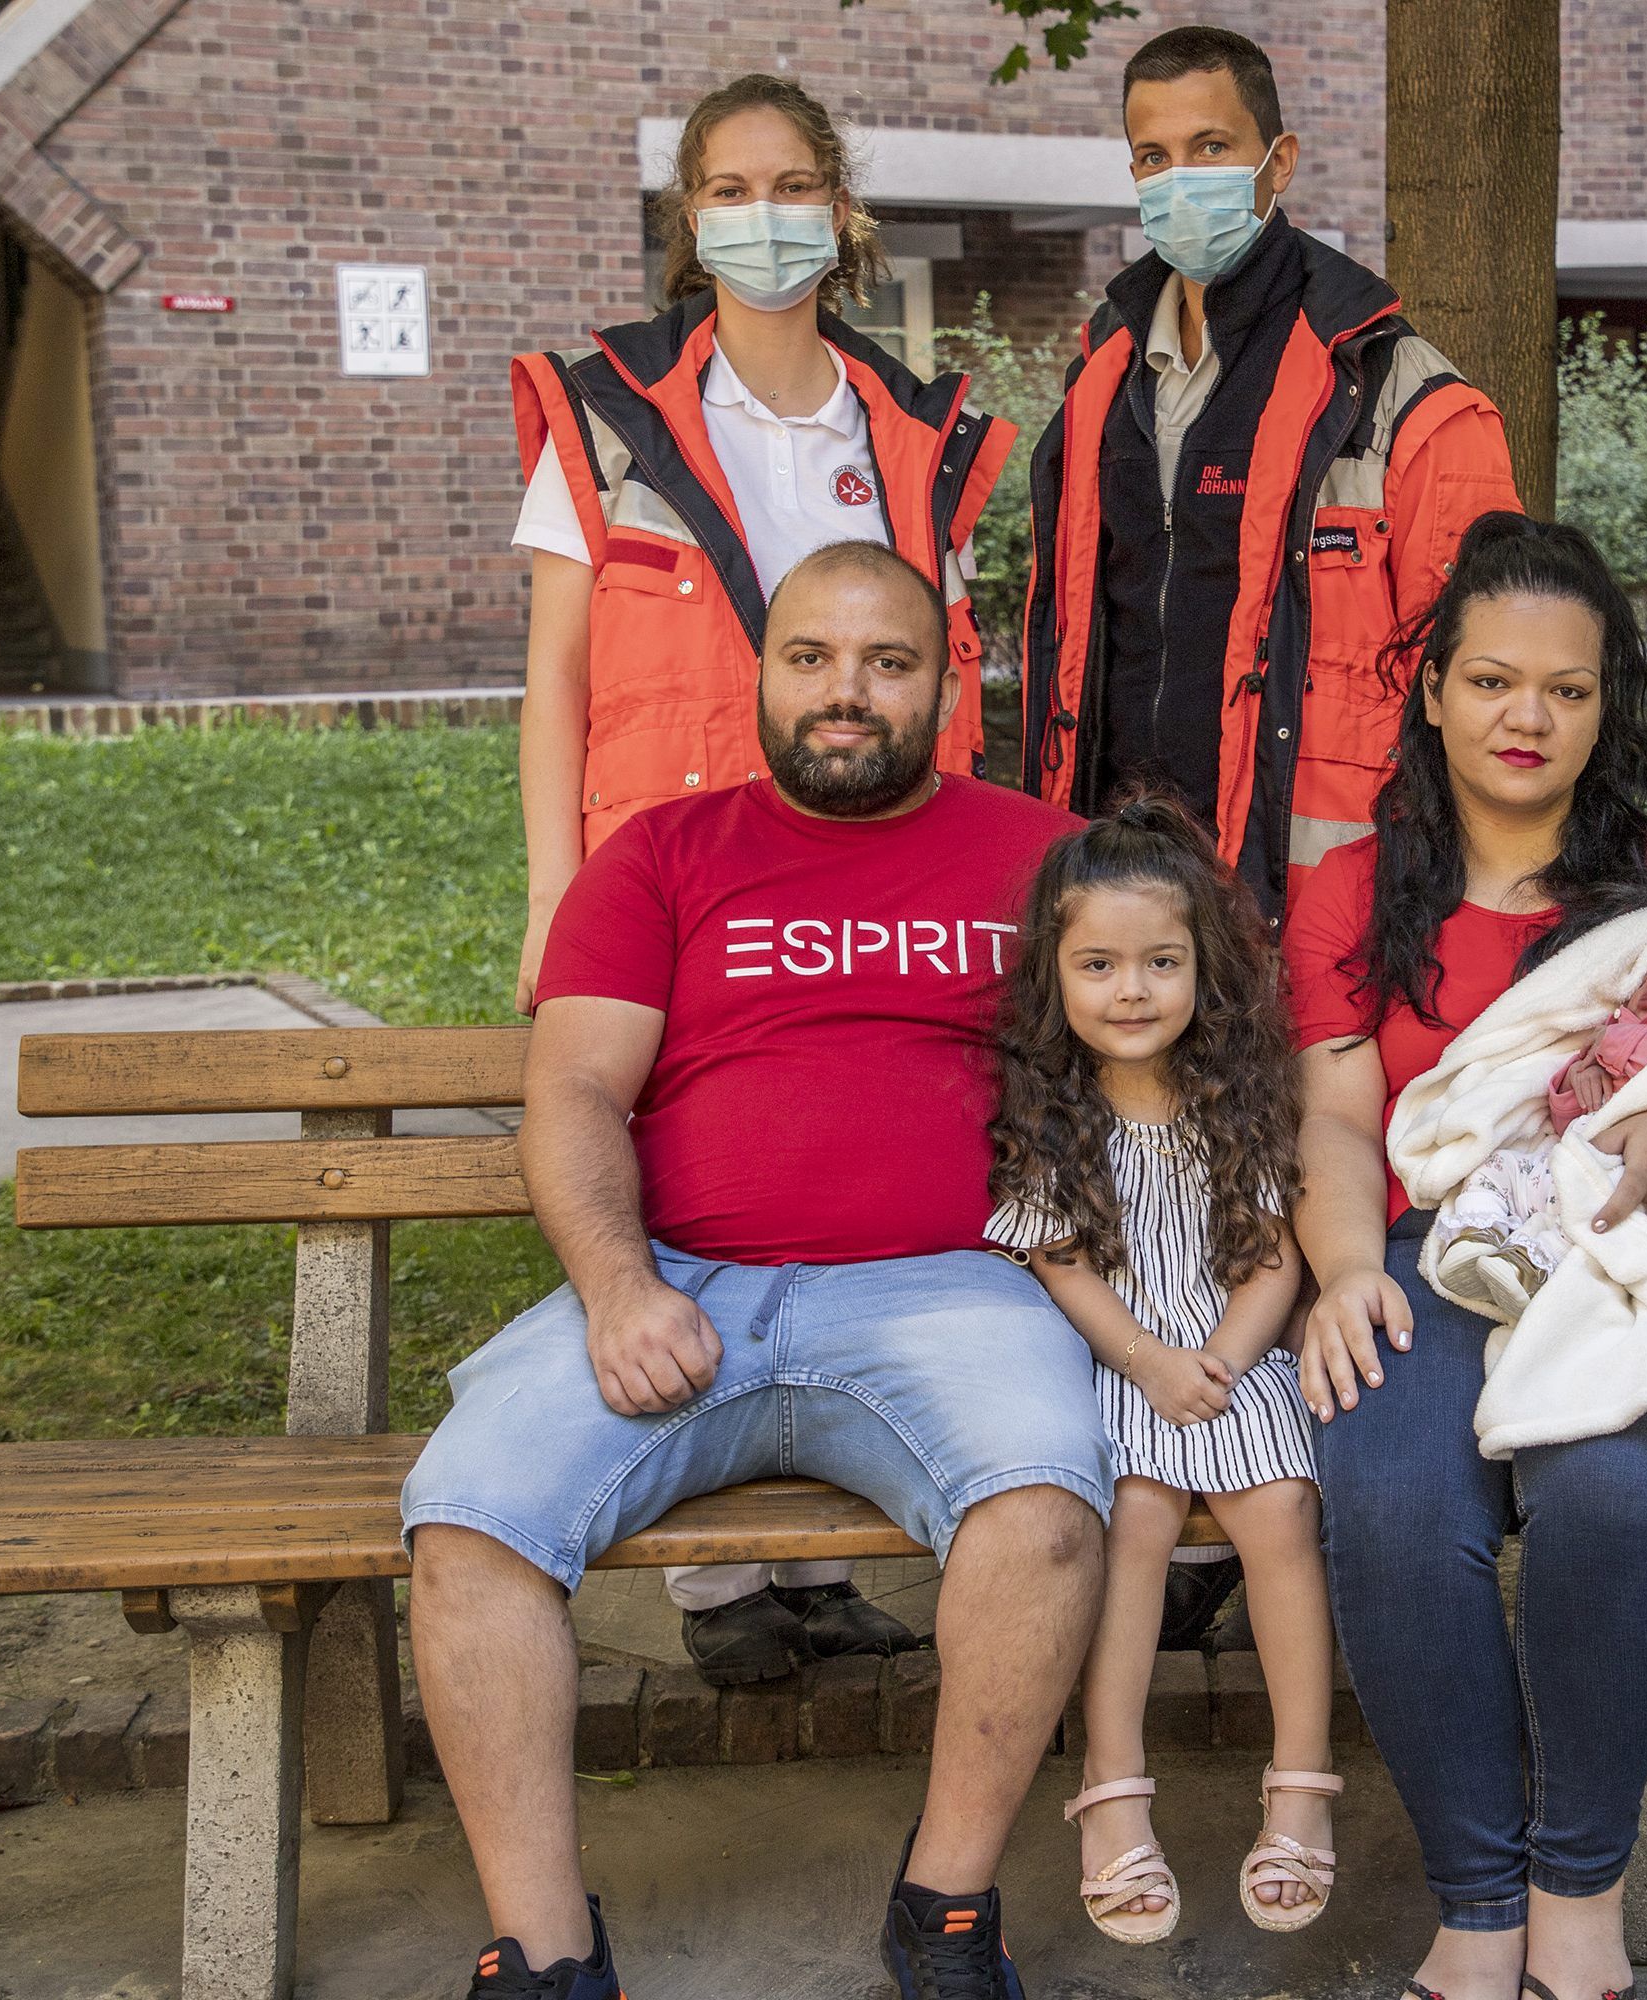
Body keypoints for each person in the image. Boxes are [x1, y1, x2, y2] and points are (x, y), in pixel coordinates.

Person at [402, 543, 1105, 2000]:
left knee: (1043, 1513)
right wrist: (613, 1286)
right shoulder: (661, 854)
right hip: (677, 1284)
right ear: (763, 670)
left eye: (886, 662)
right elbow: (577, 1096)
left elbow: (1163, 1060)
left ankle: (946, 1907)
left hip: (950, 1288)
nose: (843, 694)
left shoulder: (1047, 861)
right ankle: (541, 1956)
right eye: (810, 658)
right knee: (467, 1522)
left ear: (944, 682)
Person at [1279, 515, 1647, 2000]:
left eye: (1567, 690)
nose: (1527, 718)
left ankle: (1575, 1889)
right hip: (1430, 1251)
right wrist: (1345, 1271)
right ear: (1434, 692)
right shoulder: (1348, 891)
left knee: (1604, 1487)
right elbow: (1337, 1125)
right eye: (1491, 681)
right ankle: (1475, 1901)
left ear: (1606, 704)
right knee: (1392, 1507)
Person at [508, 70, 1015, 1678]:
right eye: (726, 188)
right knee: (676, 1182)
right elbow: (554, 681)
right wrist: (547, 894)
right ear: (686, 220)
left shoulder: (910, 428)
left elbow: (939, 661)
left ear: (843, 213)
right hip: (665, 880)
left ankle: (808, 1566)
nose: (762, 213)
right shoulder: (611, 418)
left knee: (828, 1179)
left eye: (791, 182)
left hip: (860, 860)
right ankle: (719, 1589)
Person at [1020, 25, 1525, 929]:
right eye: (1152, 156)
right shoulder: (1101, 375)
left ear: (1277, 160)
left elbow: (1488, 678)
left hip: (1314, 892)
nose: (1180, 178)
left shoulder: (1395, 393)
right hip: (1116, 879)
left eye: (1210, 147)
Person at [982, 796, 1339, 1945]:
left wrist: (1225, 1361)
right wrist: (1147, 1361)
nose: (1129, 989)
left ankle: (1300, 1781)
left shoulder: (1238, 1099)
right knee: (1131, 1514)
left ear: (1204, 969)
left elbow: (1280, 1250)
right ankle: (1113, 1788)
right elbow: (1059, 1259)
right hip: (1120, 1361)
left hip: (1233, 1353)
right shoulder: (1054, 1108)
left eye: (1159, 962)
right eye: (1098, 963)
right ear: (1057, 974)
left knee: (1281, 1506)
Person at [1431, 939, 1647, 1316]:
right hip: (1560, 1159)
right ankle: (1478, 1234)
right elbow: (1565, 1119)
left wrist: (1607, 1044)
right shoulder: (1618, 1029)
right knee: (1496, 1165)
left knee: (1593, 1211)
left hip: (1616, 1172)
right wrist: (1574, 1079)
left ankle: (1531, 1266)